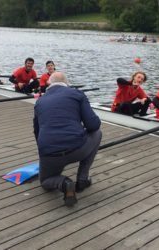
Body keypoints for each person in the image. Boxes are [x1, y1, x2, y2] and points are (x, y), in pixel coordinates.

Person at [33, 72, 102, 207]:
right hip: (77, 148)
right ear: (67, 83)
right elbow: (93, 125)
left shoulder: (39, 101)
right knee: (97, 133)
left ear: (49, 84)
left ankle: (64, 183)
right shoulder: (77, 94)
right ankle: (82, 179)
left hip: (49, 152)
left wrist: (45, 154)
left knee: (46, 181)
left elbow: (37, 132)